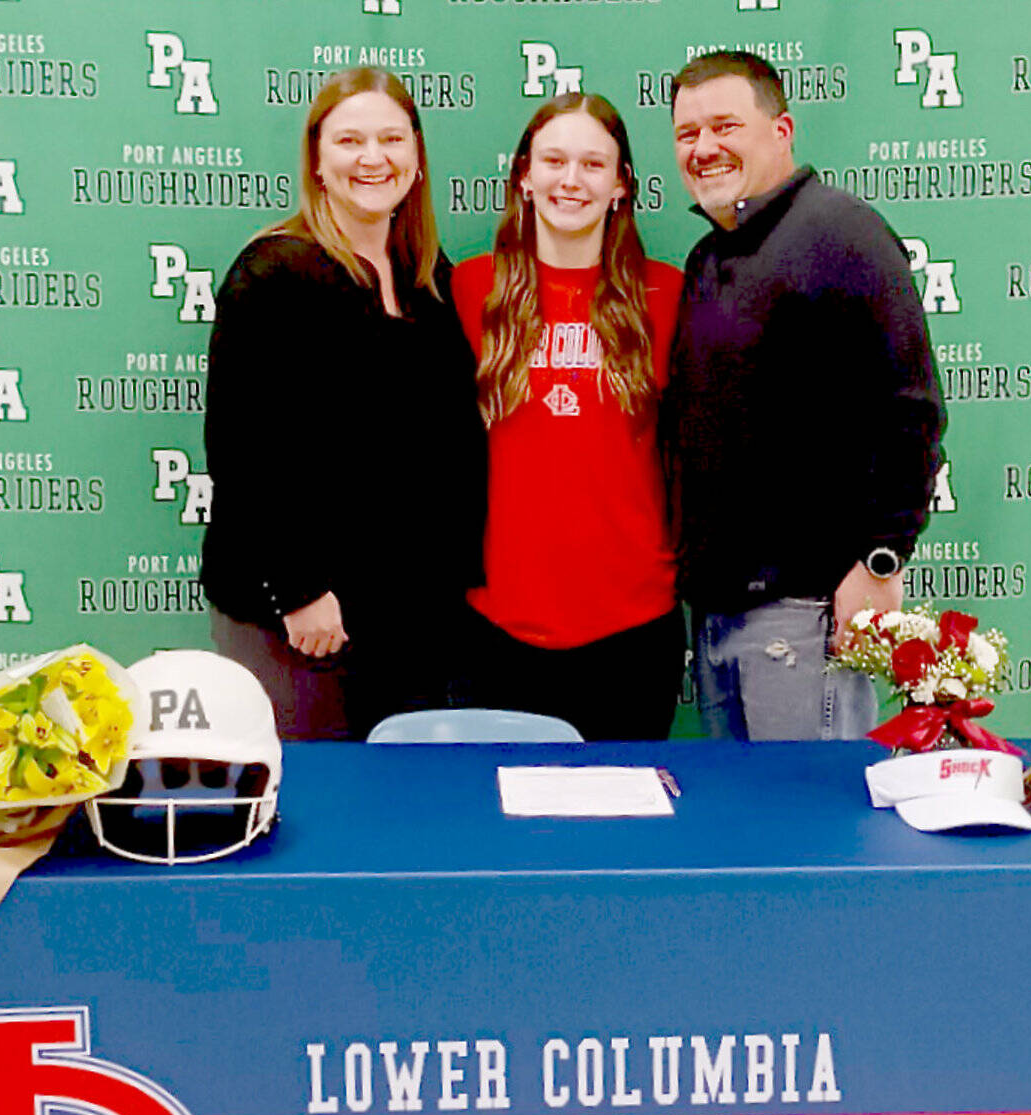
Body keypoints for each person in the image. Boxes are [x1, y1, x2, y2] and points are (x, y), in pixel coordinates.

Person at [664, 50, 946, 741]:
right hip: (720, 614)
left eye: (725, 125)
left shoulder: (842, 233)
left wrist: (881, 561)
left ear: (781, 130)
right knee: (751, 836)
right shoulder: (708, 258)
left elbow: (911, 411)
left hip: (807, 612)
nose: (705, 148)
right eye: (687, 133)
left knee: (811, 836)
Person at [200, 66, 487, 740]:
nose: (372, 158)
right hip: (302, 623)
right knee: (313, 813)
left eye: (391, 139)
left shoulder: (427, 279)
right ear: (318, 162)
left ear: (416, 161)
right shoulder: (273, 274)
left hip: (405, 617)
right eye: (349, 140)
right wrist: (297, 593)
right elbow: (242, 451)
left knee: (392, 819)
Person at [451, 93, 685, 741]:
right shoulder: (471, 290)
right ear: (524, 176)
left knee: (623, 832)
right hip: (498, 625)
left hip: (633, 626)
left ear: (620, 186)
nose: (571, 179)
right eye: (554, 160)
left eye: (592, 163)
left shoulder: (668, 297)